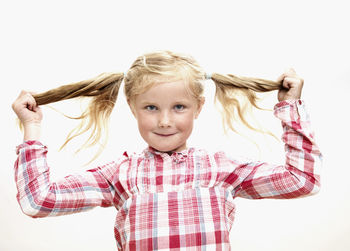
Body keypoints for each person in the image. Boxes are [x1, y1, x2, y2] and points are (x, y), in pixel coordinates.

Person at [12, 50, 322, 250]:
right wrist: (32, 127)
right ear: (132, 107)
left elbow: (302, 180)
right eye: (150, 107)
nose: (164, 120)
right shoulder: (120, 174)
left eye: (178, 107)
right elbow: (38, 201)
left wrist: (289, 107)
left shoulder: (222, 169)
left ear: (198, 108)